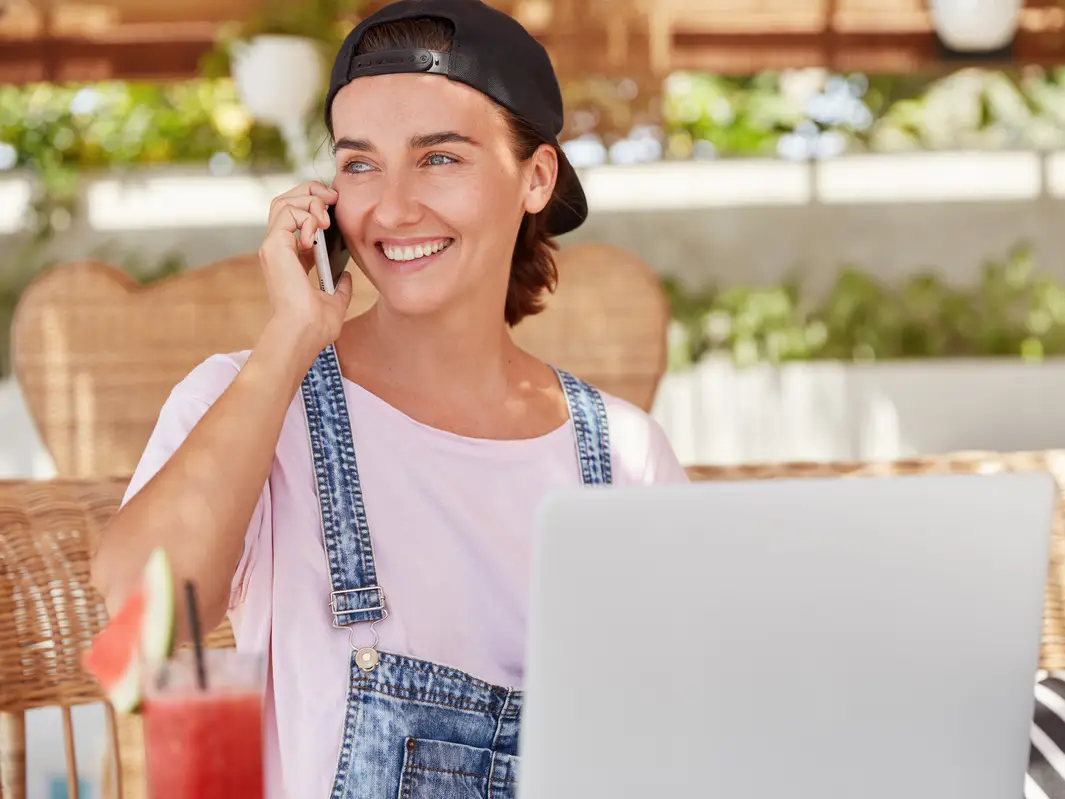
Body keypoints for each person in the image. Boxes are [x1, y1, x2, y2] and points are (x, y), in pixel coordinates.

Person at [89, 1, 688, 797]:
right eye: (360, 164)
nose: (393, 207)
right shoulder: (257, 401)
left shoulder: (624, 453)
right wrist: (288, 342)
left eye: (439, 158)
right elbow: (138, 630)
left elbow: (673, 730)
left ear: (536, 176)